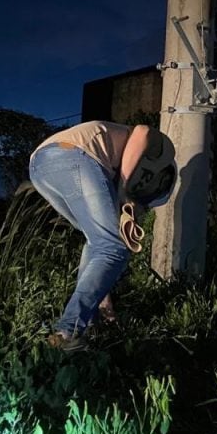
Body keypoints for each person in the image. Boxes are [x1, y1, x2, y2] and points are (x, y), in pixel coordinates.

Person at [29, 120, 176, 351]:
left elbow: (100, 249)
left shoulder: (114, 166)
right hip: (74, 155)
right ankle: (68, 331)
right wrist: (124, 191)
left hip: (40, 165)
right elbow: (143, 130)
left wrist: (103, 298)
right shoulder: (156, 150)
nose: (139, 210)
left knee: (98, 242)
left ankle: (86, 325)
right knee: (114, 247)